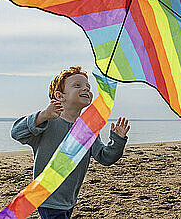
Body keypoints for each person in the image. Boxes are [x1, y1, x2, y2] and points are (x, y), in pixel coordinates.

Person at [11, 66, 130, 219]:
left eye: (88, 86)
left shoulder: (88, 129)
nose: (86, 89)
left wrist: (118, 140)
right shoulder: (48, 122)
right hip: (47, 199)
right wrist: (43, 115)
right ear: (60, 96)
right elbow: (16, 132)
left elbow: (105, 157)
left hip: (69, 200)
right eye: (77, 85)